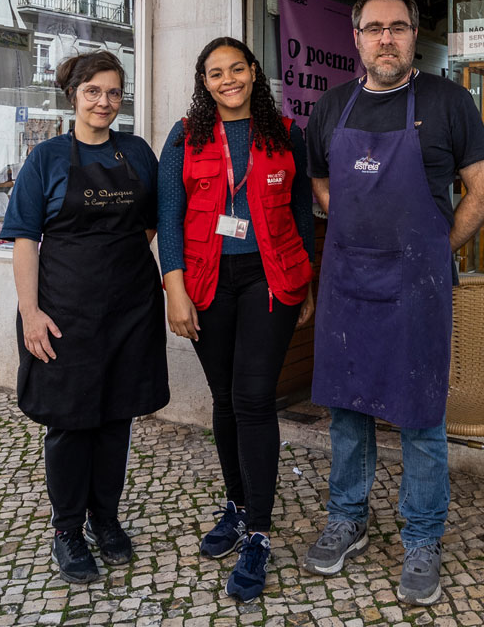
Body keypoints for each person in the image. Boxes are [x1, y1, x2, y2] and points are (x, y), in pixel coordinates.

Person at [299, 0, 484, 606]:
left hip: (418, 284)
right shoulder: (331, 107)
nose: (387, 38)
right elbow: (324, 186)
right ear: (355, 37)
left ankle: (421, 536)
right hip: (349, 282)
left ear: (415, 36)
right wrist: (364, 239)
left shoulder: (449, 101)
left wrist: (436, 246)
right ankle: (347, 517)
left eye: (399, 27)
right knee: (347, 409)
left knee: (420, 416)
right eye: (374, 28)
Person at [0, 50, 166, 585]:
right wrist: (31, 312)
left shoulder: (137, 152)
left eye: (114, 93)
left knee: (116, 419)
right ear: (73, 96)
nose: (105, 102)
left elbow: (150, 224)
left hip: (129, 310)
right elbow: (25, 238)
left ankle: (105, 519)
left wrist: (116, 268)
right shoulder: (45, 158)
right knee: (70, 425)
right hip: (64, 312)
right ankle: (67, 528)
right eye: (94, 92)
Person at [158, 37, 317, 603]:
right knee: (224, 399)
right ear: (204, 82)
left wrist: (306, 283)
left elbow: (301, 208)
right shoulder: (186, 135)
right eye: (215, 72)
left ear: (254, 71)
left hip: (271, 279)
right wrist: (175, 291)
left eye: (237, 68)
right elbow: (169, 217)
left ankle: (258, 534)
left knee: (252, 400)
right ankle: (237, 503)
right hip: (207, 282)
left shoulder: (285, 132)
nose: (228, 79)